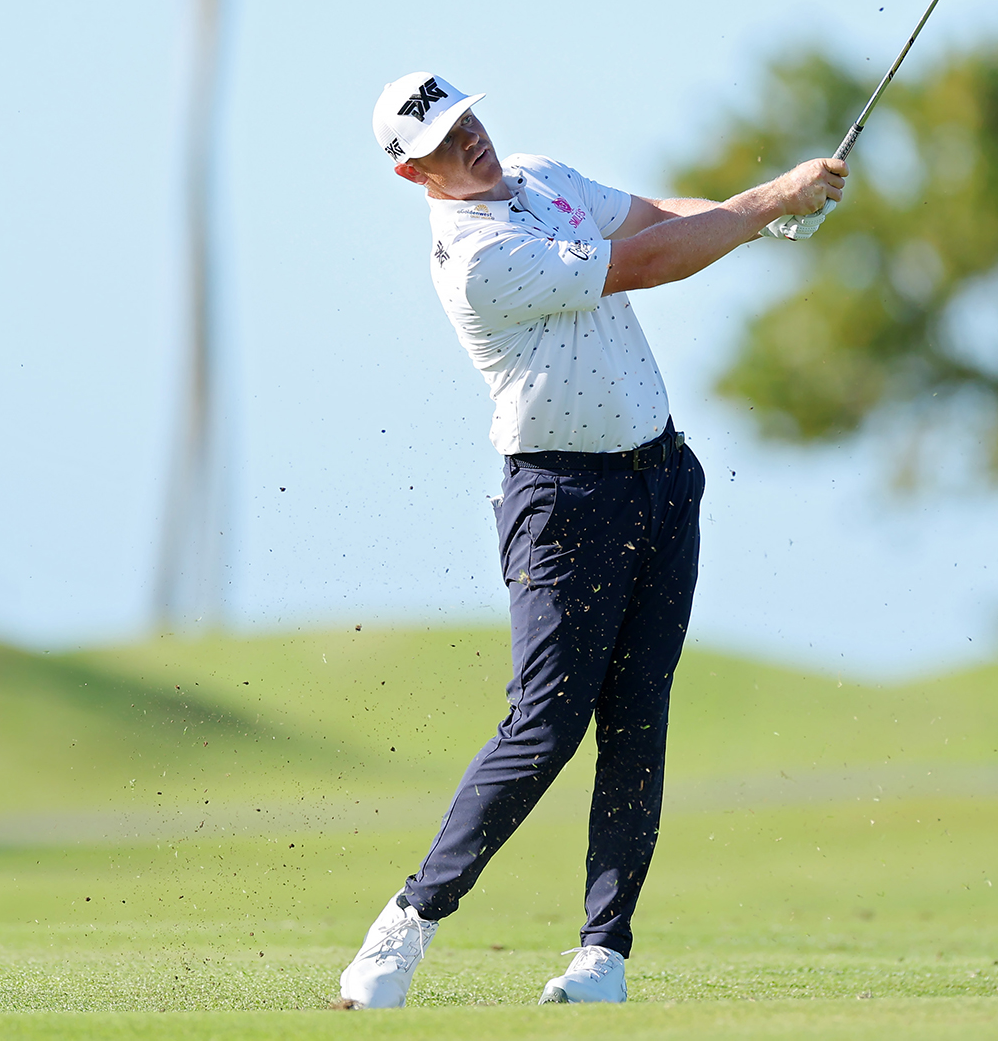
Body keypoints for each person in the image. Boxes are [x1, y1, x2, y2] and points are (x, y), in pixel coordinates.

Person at [335, 71, 844, 1008]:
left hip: (660, 478)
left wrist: (759, 217)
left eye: (468, 120)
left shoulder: (537, 176)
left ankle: (602, 955)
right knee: (544, 726)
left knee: (637, 719)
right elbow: (651, 262)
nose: (471, 142)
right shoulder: (476, 257)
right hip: (563, 500)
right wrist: (772, 200)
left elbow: (653, 216)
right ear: (415, 176)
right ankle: (402, 930)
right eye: (446, 142)